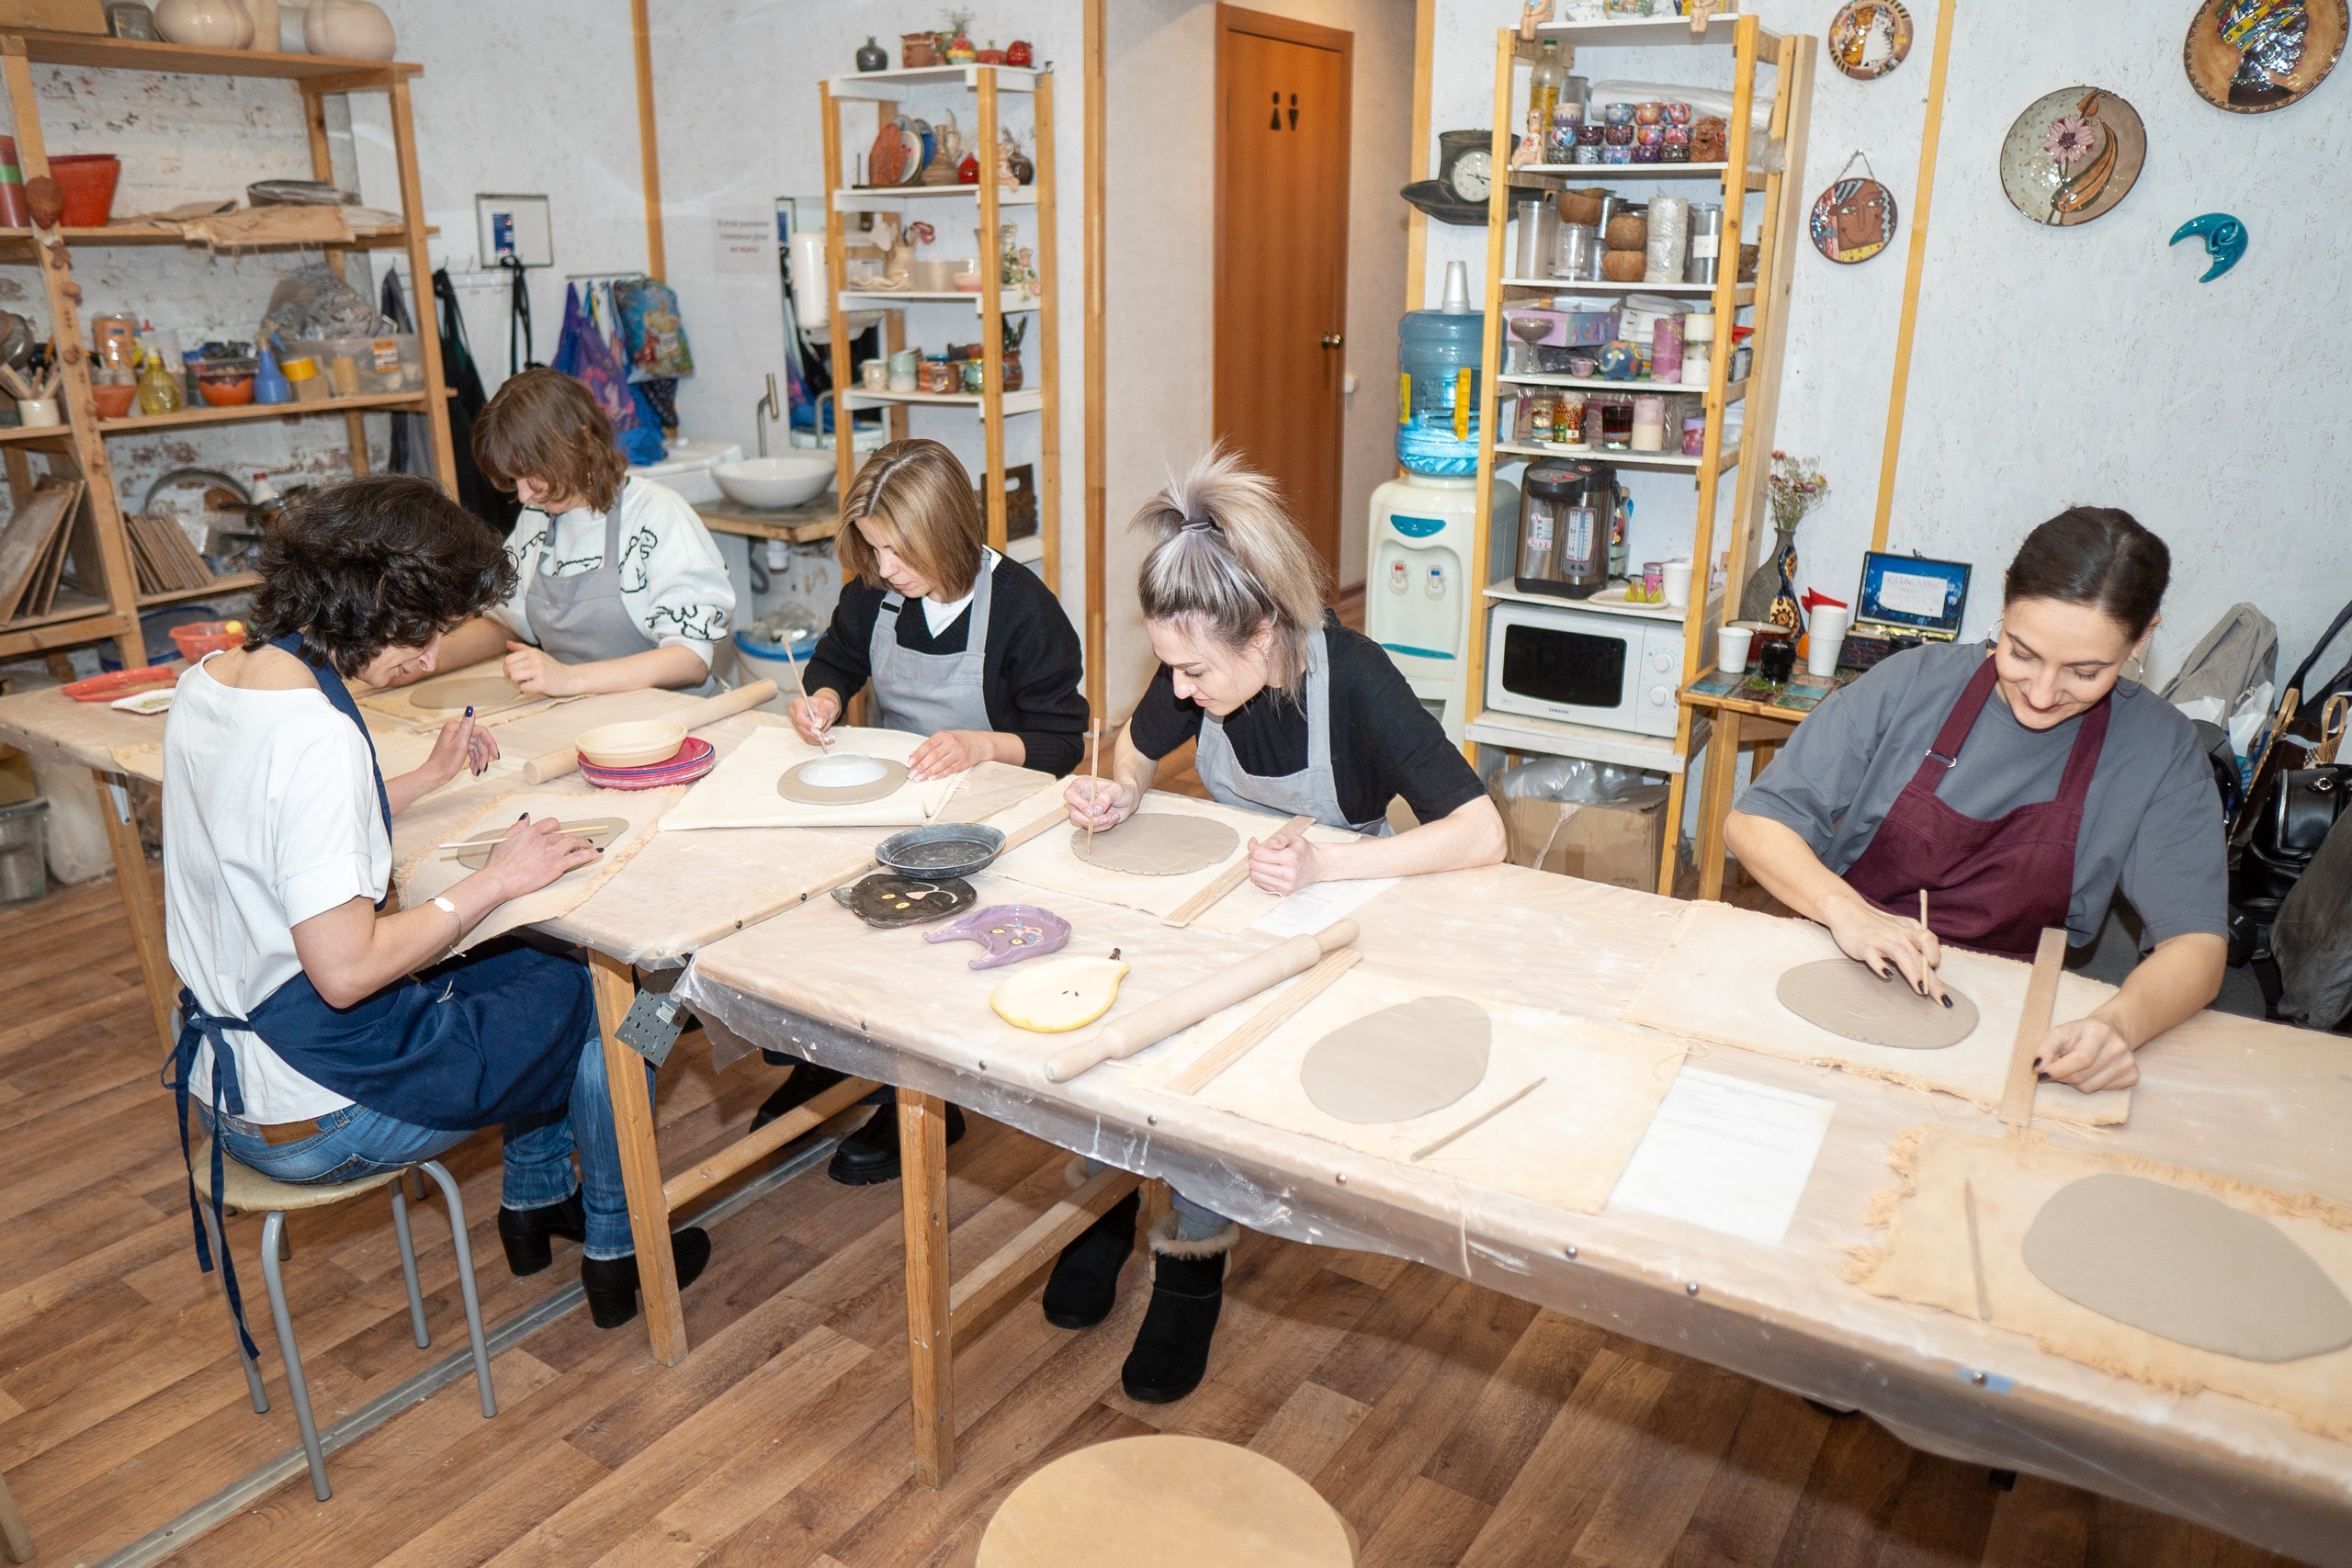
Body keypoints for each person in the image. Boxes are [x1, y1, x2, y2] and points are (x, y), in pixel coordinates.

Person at [164, 474, 711, 1339]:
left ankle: (535, 1196)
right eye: (419, 635)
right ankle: (623, 1236)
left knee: (531, 963)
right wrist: (493, 879)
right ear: (374, 598)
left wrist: (423, 779)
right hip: (317, 1109)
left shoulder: (216, 682)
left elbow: (271, 825)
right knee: (624, 989)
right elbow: (345, 972)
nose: (425, 660)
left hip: (230, 1077)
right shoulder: (315, 738)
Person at [1047, 446, 1508, 1404]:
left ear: (1261, 637)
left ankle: (1190, 1264)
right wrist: (1114, 794)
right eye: (1167, 666)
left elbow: (1481, 833)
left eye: (1193, 670)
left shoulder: (1361, 683)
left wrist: (1333, 860)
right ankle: (1098, 1211)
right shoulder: (1196, 669)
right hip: (1231, 900)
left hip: (1329, 922)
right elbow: (1134, 755)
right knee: (1120, 1018)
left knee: (1214, 1065)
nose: (1177, 690)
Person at [1725, 506, 2227, 1093]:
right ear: (2007, 595)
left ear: (2142, 638)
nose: (2041, 695)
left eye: (2084, 673)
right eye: (2022, 653)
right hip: (1843, 964)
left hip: (2008, 1018)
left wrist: (2118, 1024)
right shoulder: (1910, 683)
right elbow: (1755, 821)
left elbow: (2197, 945)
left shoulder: (2159, 750)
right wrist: (1847, 913)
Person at [755, 438, 1089, 1177]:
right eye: (874, 552)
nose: (884, 571)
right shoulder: (875, 593)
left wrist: (981, 746)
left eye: (898, 554)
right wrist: (823, 699)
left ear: (947, 535)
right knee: (815, 912)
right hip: (897, 794)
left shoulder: (1024, 611)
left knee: (916, 942)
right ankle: (830, 1057)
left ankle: (915, 1095)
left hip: (988, 814)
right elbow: (838, 658)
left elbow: (1063, 740)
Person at [425, 367, 735, 698]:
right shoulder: (537, 518)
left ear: (582, 441)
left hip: (679, 720)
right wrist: (422, 658)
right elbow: (505, 624)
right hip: (589, 719)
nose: (525, 495)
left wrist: (571, 679)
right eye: (513, 480)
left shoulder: (654, 514)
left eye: (532, 474)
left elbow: (690, 659)